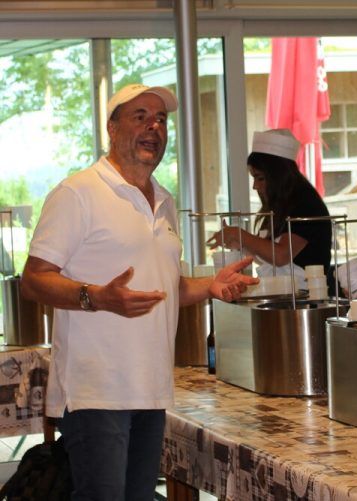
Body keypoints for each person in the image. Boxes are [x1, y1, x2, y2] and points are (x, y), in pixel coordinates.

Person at [20, 83, 257, 500]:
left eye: (161, 119)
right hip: (96, 390)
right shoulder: (78, 192)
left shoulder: (163, 200)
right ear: (112, 128)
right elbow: (34, 278)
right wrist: (96, 297)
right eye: (140, 116)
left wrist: (210, 287)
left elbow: (163, 287)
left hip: (149, 385)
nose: (154, 127)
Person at [206, 129, 331, 289]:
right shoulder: (282, 203)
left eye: (260, 178)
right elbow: (269, 257)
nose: (255, 186)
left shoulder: (305, 204)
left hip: (305, 298)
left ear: (278, 175)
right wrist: (241, 245)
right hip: (285, 293)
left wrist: (240, 234)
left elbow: (281, 256)